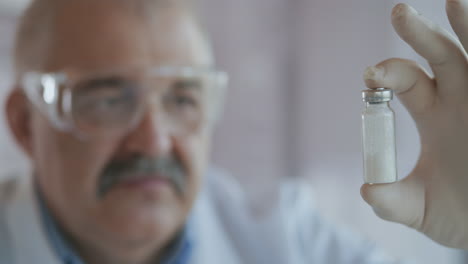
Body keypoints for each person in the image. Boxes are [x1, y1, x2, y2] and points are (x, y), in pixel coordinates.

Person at [0, 0, 467, 263]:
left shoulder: (289, 242)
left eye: (182, 99)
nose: (154, 141)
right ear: (24, 123)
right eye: (107, 99)